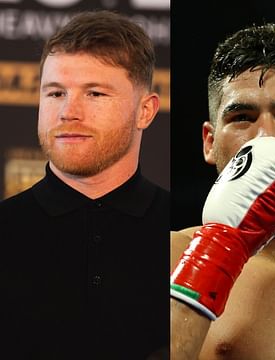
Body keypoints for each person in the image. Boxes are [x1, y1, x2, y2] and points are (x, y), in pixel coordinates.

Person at [0, 11, 168, 359]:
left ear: (146, 111)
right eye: (55, 93)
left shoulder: (188, 233)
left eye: (94, 94)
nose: (68, 112)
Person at [170, 24, 275, 359]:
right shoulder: (164, 256)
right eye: (242, 117)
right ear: (210, 142)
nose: (265, 136)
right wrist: (215, 252)